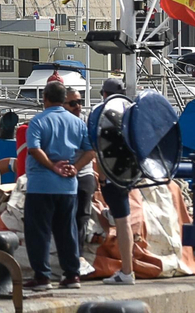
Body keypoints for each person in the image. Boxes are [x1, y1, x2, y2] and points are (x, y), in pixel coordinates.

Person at [24, 79, 94, 290]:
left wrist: (52, 166)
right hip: (68, 186)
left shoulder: (38, 121)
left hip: (40, 186)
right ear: (64, 100)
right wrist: (75, 167)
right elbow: (91, 151)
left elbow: (34, 149)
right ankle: (72, 275)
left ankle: (42, 277)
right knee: (68, 231)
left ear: (44, 98)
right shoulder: (78, 123)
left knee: (39, 232)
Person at [92, 77, 138, 285]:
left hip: (112, 176)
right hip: (128, 174)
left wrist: (101, 179)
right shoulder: (130, 113)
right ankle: (111, 213)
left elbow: (99, 149)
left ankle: (126, 272)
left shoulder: (101, 114)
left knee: (123, 222)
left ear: (104, 94)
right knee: (121, 217)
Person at [65, 88, 96, 247]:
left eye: (79, 102)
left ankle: (78, 257)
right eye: (72, 103)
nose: (78, 106)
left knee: (81, 218)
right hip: (62, 175)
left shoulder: (87, 123)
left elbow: (92, 151)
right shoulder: (58, 123)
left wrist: (75, 168)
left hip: (83, 174)